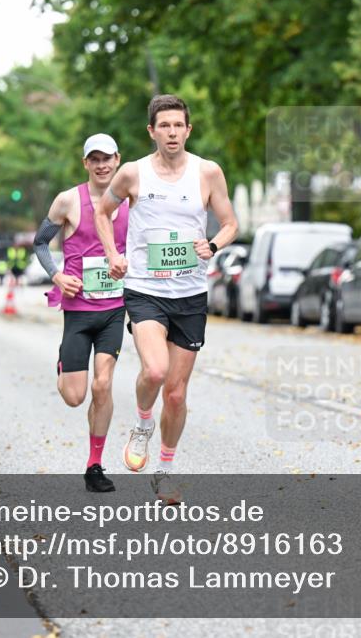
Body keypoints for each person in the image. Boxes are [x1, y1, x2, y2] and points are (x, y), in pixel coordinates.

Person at [95, 94, 238, 504]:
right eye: (165, 126)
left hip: (190, 294)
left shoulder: (207, 172)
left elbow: (230, 223)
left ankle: (167, 470)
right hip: (146, 290)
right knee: (154, 372)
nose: (172, 133)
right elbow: (103, 213)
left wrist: (214, 244)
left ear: (188, 130)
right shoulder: (132, 173)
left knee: (176, 392)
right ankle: (142, 424)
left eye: (179, 126)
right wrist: (113, 255)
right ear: (152, 131)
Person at [33, 133, 128, 492]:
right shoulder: (67, 200)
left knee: (103, 384)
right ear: (86, 163)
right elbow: (40, 242)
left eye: (108, 158)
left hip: (114, 309)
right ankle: (64, 363)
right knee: (75, 396)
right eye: (95, 159)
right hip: (77, 310)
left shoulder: (132, 200)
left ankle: (94, 465)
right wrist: (57, 275)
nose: (102, 165)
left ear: (118, 160)